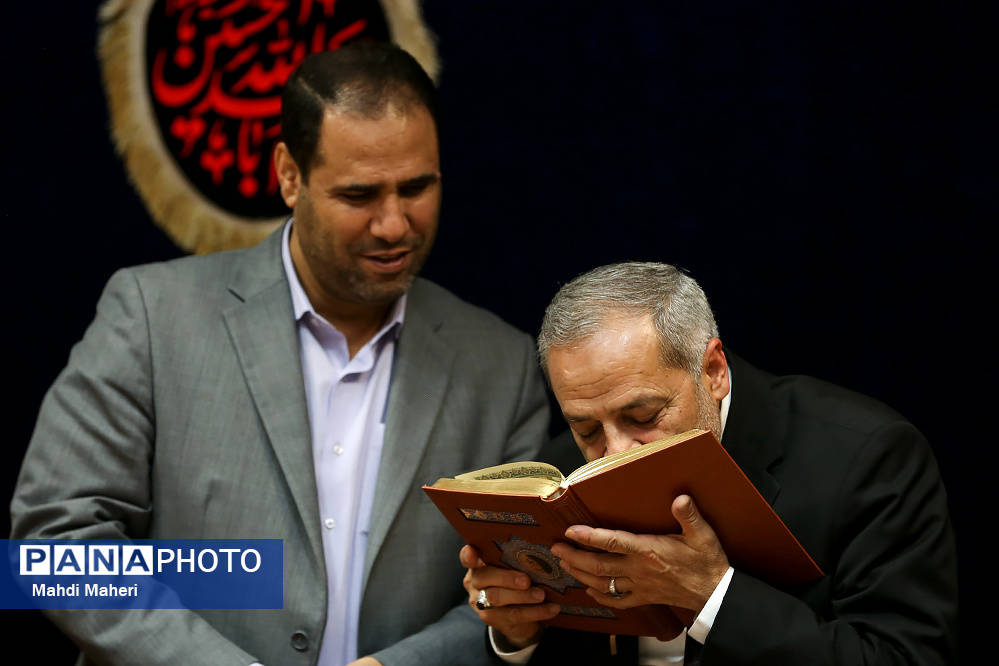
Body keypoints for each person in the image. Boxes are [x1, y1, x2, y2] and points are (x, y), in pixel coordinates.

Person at [11, 43, 550, 666]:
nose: (394, 224)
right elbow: (55, 551)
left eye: (417, 187)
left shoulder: (501, 367)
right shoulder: (152, 318)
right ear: (290, 176)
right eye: (359, 195)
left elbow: (514, 587)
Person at [462, 262, 957, 665]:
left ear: (714, 371)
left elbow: (903, 657)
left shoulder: (867, 456)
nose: (614, 453)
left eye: (643, 416)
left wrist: (712, 595)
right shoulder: (561, 469)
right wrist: (518, 636)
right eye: (586, 428)